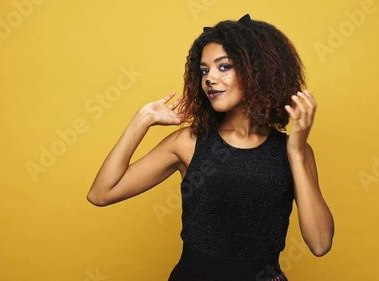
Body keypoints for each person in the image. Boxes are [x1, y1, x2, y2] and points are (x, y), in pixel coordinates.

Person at [87, 14, 334, 281]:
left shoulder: (294, 151)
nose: (209, 79)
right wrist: (142, 120)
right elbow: (101, 193)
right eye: (204, 70)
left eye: (223, 67)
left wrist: (297, 153)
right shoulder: (188, 143)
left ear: (258, 71)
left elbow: (320, 244)